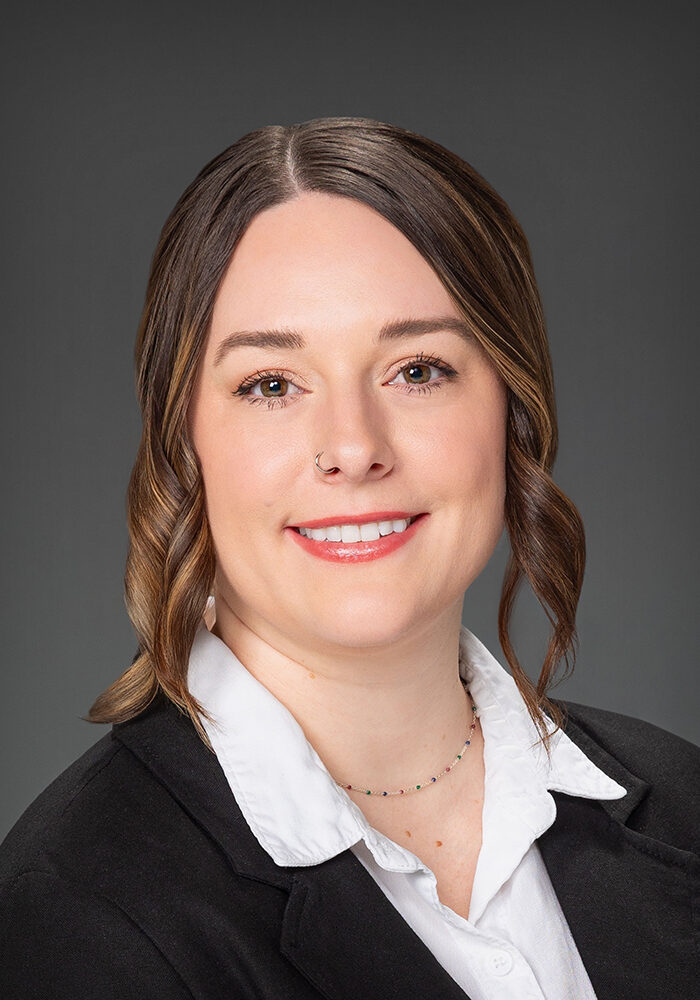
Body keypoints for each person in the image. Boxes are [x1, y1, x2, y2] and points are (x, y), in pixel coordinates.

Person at [0, 116, 697, 1000]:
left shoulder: (684, 802)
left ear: (512, 410)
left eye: (417, 370)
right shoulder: (76, 920)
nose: (353, 447)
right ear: (186, 444)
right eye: (271, 385)